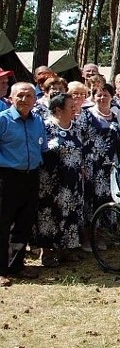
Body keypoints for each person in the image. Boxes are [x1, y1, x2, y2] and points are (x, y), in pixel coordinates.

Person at [0, 83, 46, 285]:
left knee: (24, 223)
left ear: (35, 100)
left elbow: (42, 147)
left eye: (29, 96)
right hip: (6, 177)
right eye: (20, 95)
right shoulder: (3, 120)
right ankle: (1, 270)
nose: (25, 99)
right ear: (10, 98)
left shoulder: (38, 121)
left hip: (31, 177)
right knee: (2, 224)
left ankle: (17, 265)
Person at [78, 83, 120, 249]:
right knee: (89, 199)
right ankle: (87, 237)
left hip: (110, 165)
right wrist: (81, 163)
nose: (102, 98)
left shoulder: (116, 116)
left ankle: (101, 236)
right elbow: (78, 139)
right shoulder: (86, 115)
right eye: (99, 95)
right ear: (93, 97)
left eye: (106, 95)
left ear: (111, 96)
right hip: (91, 164)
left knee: (106, 199)